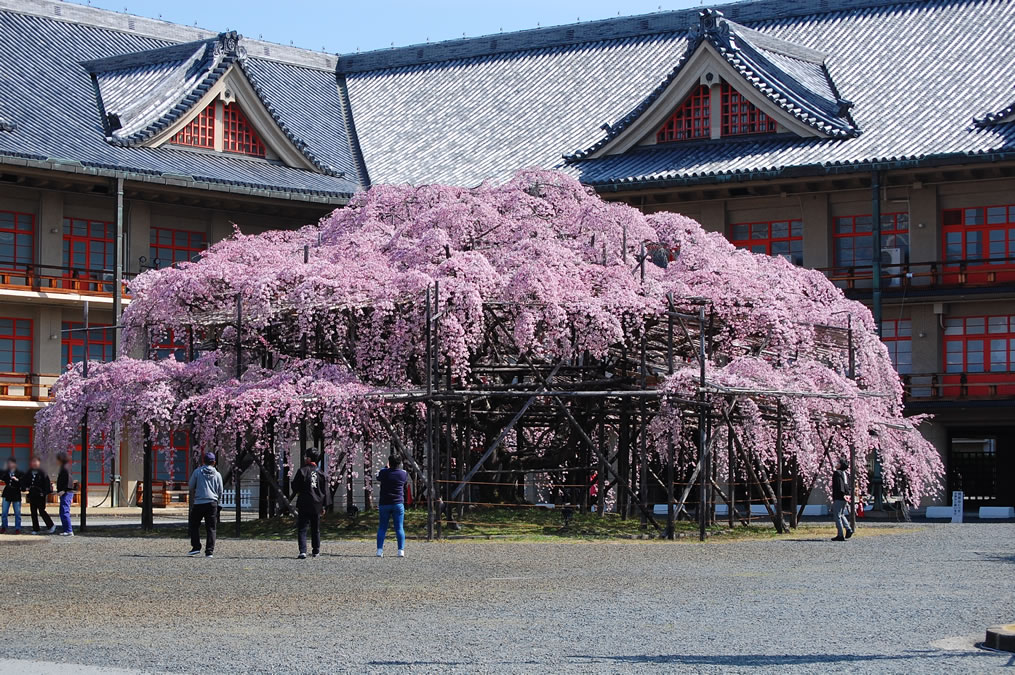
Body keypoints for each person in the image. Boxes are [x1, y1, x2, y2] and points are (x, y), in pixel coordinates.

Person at [291, 455, 331, 559]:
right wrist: (324, 506)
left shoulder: (302, 471)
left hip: (304, 502)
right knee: (315, 528)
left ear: (309, 458)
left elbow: (295, 486)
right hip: (317, 504)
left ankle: (303, 551)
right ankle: (316, 551)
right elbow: (325, 490)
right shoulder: (321, 473)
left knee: (302, 528)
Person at [187, 452, 223, 558]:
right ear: (214, 462)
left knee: (194, 525)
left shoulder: (197, 472)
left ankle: (196, 547)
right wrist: (218, 500)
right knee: (211, 528)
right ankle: (209, 551)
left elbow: (190, 486)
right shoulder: (217, 474)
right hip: (212, 503)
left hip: (199, 502)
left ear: (203, 461)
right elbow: (220, 490)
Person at [376, 454, 409, 558]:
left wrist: (386, 467)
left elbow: (378, 477)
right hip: (398, 503)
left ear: (389, 462)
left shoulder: (383, 472)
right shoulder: (403, 473)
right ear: (399, 463)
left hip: (384, 503)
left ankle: (379, 551)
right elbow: (404, 481)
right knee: (399, 527)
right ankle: (400, 551)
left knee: (382, 527)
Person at [25, 456, 55, 534]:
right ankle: (36, 529)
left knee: (42, 511)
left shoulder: (43, 472)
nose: (34, 463)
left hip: (40, 495)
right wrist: (25, 487)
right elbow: (25, 482)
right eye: (33, 461)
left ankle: (51, 525)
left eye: (36, 461)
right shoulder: (29, 472)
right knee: (33, 512)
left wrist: (44, 493)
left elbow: (47, 484)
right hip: (32, 494)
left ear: (39, 463)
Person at [831, 458, 853, 541]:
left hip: (839, 496)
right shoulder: (844, 474)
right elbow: (847, 485)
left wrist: (842, 494)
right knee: (842, 514)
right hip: (845, 497)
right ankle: (848, 529)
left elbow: (839, 485)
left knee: (837, 515)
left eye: (838, 463)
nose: (836, 464)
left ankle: (840, 534)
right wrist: (847, 494)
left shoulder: (837, 473)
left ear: (840, 465)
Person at [1, 457, 24, 534]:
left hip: (16, 493)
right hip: (7, 492)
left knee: (17, 512)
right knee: (4, 512)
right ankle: (4, 526)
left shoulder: (20, 472)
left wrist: (17, 479)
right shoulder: (6, 472)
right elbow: (1, 476)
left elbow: (23, 482)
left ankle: (17, 527)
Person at [55, 452, 74, 537]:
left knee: (65, 511)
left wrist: (64, 490)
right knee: (62, 512)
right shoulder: (64, 467)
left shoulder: (66, 468)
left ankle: (69, 530)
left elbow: (69, 481)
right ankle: (66, 529)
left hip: (66, 493)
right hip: (64, 492)